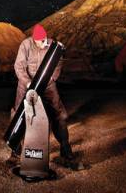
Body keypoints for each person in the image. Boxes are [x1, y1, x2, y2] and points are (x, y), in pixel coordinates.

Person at [11, 24, 79, 168]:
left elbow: (58, 62)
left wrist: (50, 80)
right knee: (18, 113)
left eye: (44, 41)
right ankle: (15, 151)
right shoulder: (26, 45)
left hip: (47, 84)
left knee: (59, 114)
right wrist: (27, 82)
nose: (43, 44)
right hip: (26, 84)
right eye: (39, 42)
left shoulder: (52, 46)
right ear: (34, 39)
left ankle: (65, 149)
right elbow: (19, 66)